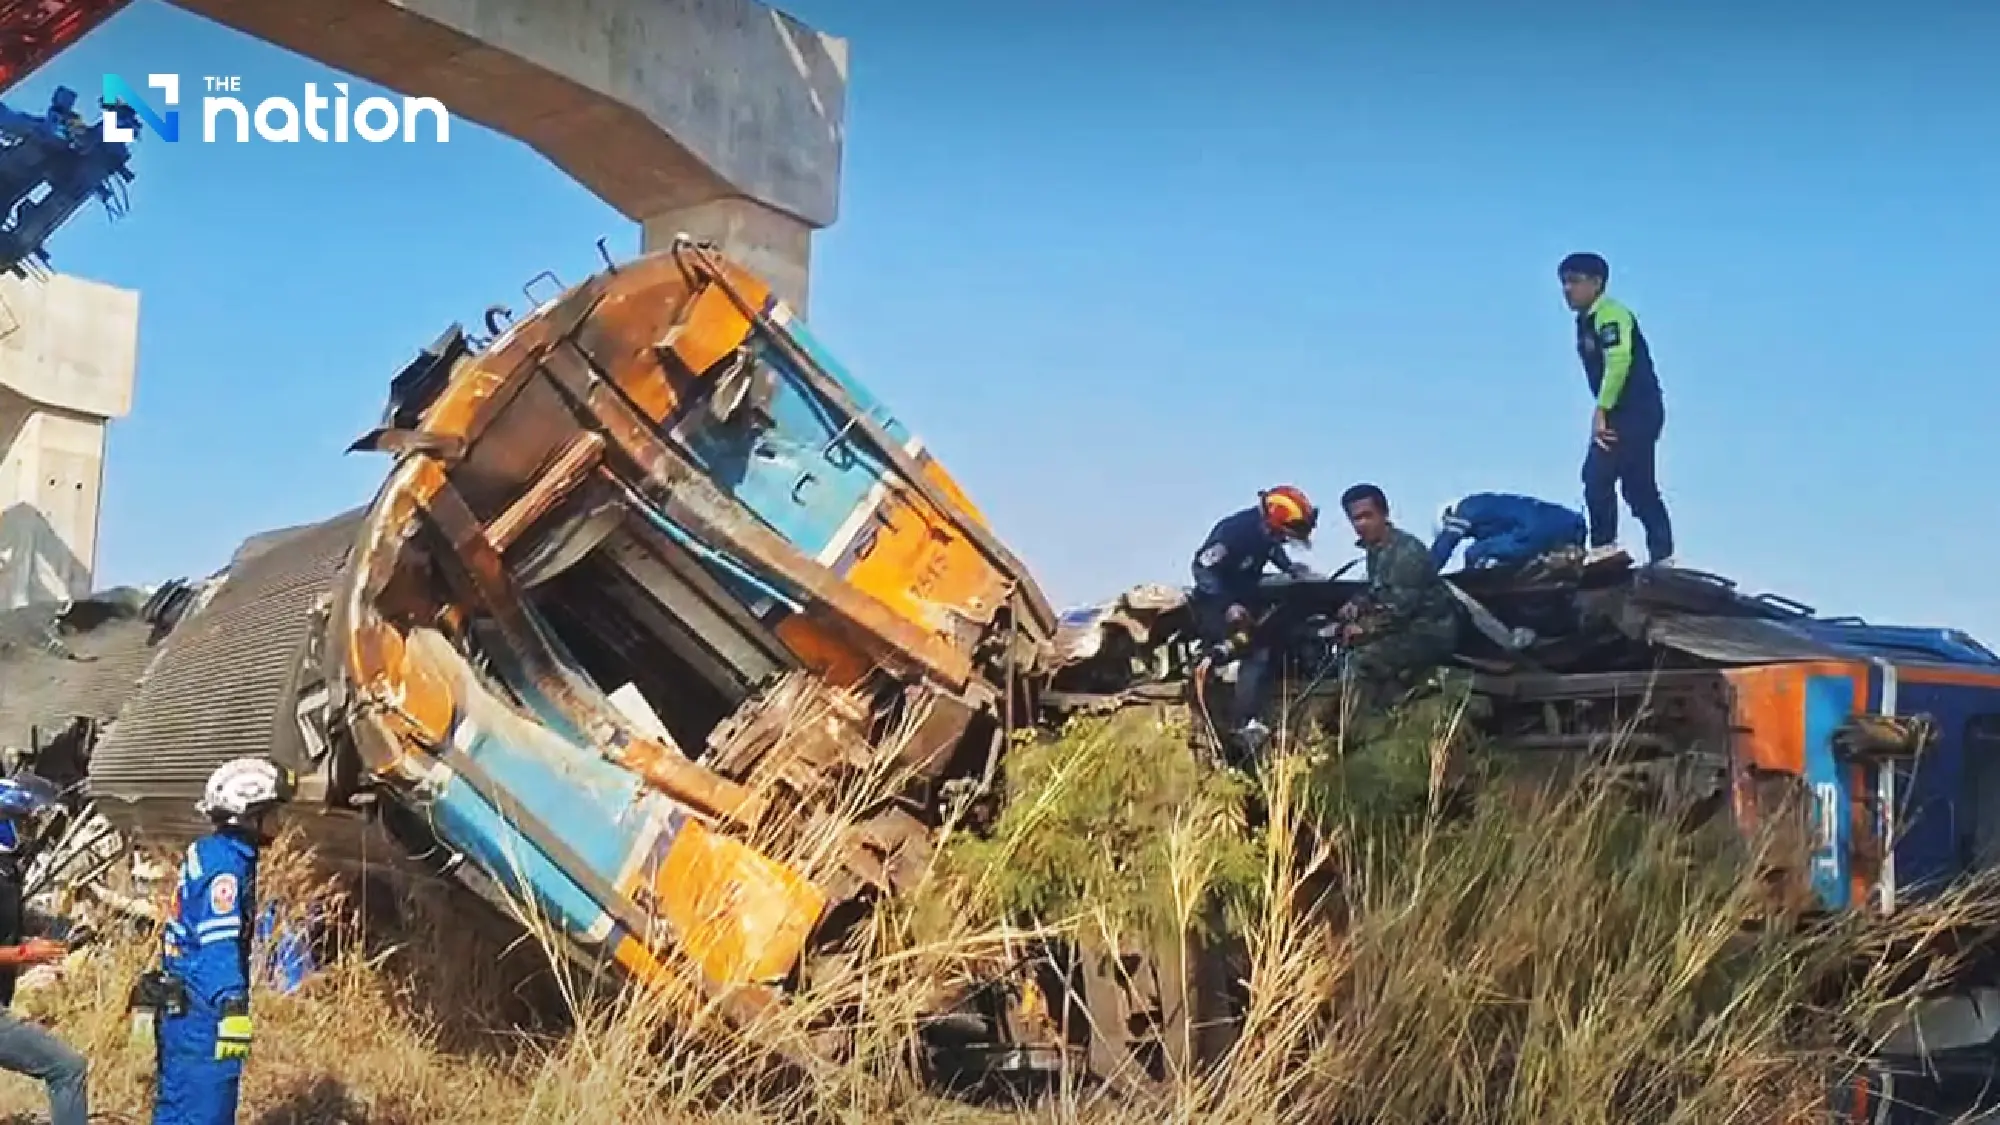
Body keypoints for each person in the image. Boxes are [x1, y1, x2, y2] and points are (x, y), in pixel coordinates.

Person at [152, 756, 296, 1125]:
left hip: (181, 1003)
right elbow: (218, 943)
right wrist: (232, 1003)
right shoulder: (225, 869)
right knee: (206, 1111)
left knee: (176, 1105)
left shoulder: (209, 851)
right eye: (272, 812)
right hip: (204, 1011)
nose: (278, 822)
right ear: (249, 815)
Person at [1558, 252, 1676, 568]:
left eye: (1575, 281)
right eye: (1564, 282)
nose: (1568, 289)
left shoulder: (1609, 314)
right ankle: (1663, 555)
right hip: (1631, 410)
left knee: (1597, 475)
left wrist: (1602, 409)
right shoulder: (1584, 321)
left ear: (1596, 283)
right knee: (1638, 487)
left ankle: (1604, 548)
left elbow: (1619, 361)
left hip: (1633, 409)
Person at [1190, 485, 1321, 747]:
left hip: (1246, 600)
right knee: (1255, 650)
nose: (1285, 540)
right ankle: (1244, 722)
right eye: (1286, 534)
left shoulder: (1266, 534)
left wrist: (1290, 569)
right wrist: (1228, 605)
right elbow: (1202, 568)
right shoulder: (1234, 531)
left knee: (1282, 630)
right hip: (1214, 605)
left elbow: (1271, 548)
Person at [0, 780, 86, 1125]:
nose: (30, 830)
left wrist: (57, 929)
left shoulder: (7, 874)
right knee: (68, 1068)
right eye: (22, 821)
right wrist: (25, 953)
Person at [1336, 484, 1459, 712]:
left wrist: (1362, 629)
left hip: (1428, 632)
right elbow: (1379, 589)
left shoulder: (1407, 552)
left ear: (1384, 514)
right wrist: (1356, 604)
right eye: (1355, 519)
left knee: (1362, 659)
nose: (1360, 524)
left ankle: (1361, 726)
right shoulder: (1377, 550)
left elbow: (1398, 611)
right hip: (1406, 626)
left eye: (1367, 516)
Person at [1431, 492, 1587, 571]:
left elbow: (1443, 547)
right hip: (1569, 522)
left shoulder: (1462, 510)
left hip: (1531, 530)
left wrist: (1426, 573)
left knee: (1473, 553)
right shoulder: (1488, 503)